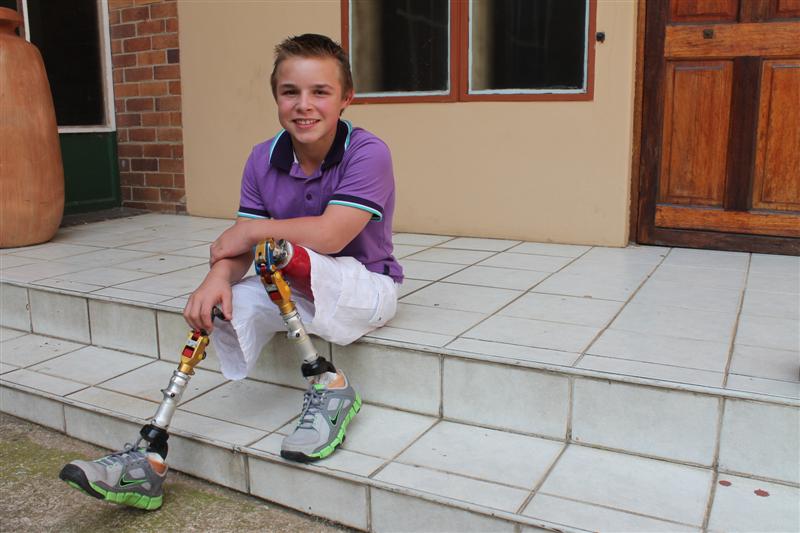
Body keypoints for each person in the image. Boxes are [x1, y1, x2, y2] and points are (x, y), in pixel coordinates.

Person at [60, 34, 403, 510]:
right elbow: (240, 246)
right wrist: (216, 279)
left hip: (362, 287)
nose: (304, 105)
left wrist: (251, 233)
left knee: (278, 252)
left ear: (346, 98)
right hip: (289, 283)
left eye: (320, 92)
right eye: (290, 92)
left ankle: (330, 386)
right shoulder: (262, 158)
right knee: (220, 304)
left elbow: (330, 235)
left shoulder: (368, 151)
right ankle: (149, 454)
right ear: (276, 96)